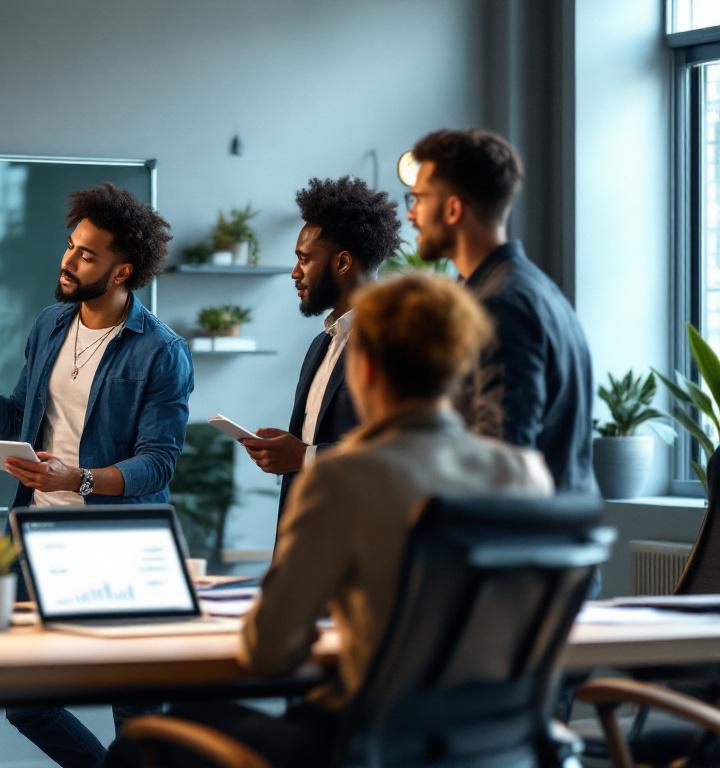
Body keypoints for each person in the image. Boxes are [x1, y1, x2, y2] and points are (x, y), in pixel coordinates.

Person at [107, 274, 555, 767]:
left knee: (145, 742)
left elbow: (270, 652)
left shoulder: (346, 477)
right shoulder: (524, 473)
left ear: (364, 368)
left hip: (365, 747)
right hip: (497, 747)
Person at [0, 183, 192, 768]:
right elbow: (16, 425)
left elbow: (158, 463)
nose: (68, 261)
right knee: (23, 700)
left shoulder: (161, 352)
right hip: (38, 540)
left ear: (123, 271)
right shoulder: (50, 325)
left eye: (86, 255)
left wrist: (80, 478)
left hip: (121, 551)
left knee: (139, 721)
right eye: (71, 246)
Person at [407, 128, 594, 494]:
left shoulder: (498, 305)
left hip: (518, 543)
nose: (412, 214)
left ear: (453, 208)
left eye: (418, 199)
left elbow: (502, 461)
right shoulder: (534, 288)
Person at [240, 176, 401, 517]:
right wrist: (291, 450)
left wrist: (303, 456)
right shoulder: (321, 344)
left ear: (342, 263)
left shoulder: (393, 339)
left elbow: (400, 450)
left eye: (305, 259)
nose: (295, 273)